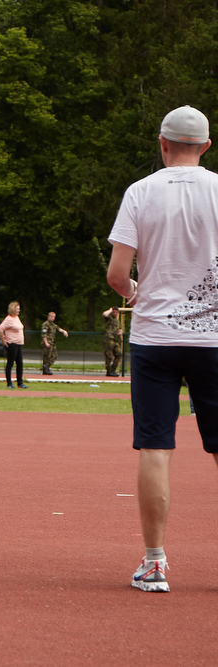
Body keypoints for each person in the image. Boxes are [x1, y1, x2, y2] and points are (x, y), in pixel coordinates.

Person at [106, 104, 218, 593]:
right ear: (206, 146)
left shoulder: (140, 192)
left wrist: (138, 292)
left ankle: (154, 563)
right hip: (213, 338)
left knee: (155, 447)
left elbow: (117, 275)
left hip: (154, 337)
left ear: (162, 143)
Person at [0, 301, 27, 389]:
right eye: (17, 309)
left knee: (19, 363)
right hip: (12, 343)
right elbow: (0, 329)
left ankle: (20, 383)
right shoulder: (9, 319)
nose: (19, 311)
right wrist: (3, 341)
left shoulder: (16, 318)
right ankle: (9, 383)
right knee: (10, 363)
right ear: (13, 309)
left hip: (18, 343)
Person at [103, 306, 123, 377]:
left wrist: (120, 331)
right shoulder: (109, 318)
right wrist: (110, 310)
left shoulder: (117, 320)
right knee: (109, 355)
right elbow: (104, 314)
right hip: (109, 338)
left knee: (119, 354)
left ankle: (113, 369)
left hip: (115, 339)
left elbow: (119, 328)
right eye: (114, 312)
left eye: (116, 312)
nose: (115, 314)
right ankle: (108, 370)